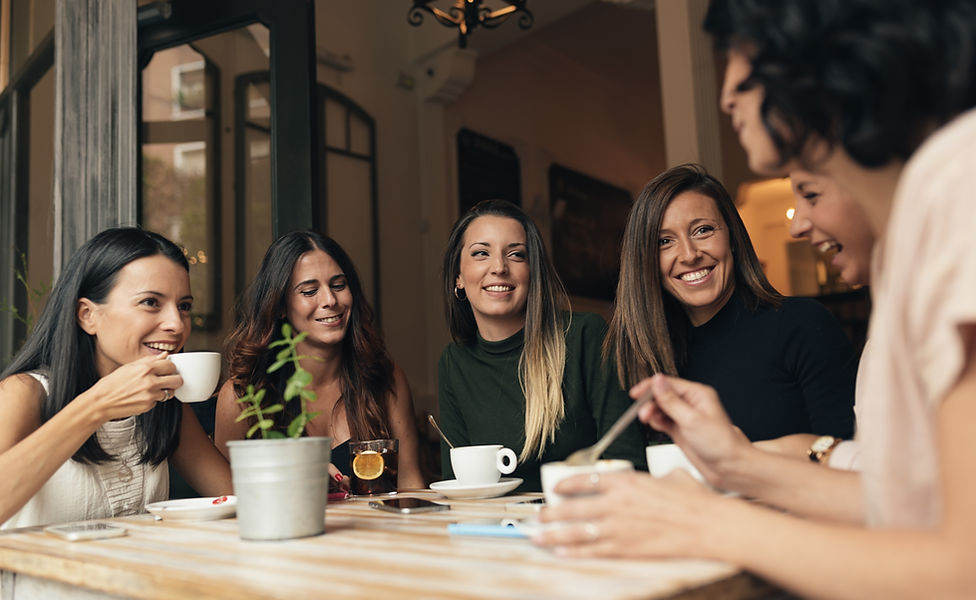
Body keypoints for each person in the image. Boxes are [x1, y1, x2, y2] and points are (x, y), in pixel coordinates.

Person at [533, 1, 976, 596]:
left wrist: (703, 520)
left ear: (815, 63)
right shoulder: (923, 221)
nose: (725, 98)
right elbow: (910, 505)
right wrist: (736, 463)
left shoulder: (956, 186)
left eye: (740, 63)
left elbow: (962, 569)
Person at [0, 227, 232, 528]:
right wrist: (98, 405)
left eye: (184, 306)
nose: (176, 324)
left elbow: (235, 497)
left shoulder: (165, 403)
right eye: (150, 302)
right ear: (87, 315)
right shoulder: (24, 392)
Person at [608, 163, 856, 442]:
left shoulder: (803, 324)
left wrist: (741, 455)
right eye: (664, 241)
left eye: (703, 230)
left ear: (732, 238)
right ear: (644, 261)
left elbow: (848, 455)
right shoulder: (640, 357)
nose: (689, 255)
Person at [438, 199, 646, 492]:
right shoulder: (454, 362)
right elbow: (458, 484)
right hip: (489, 521)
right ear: (458, 276)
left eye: (516, 255)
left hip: (584, 514)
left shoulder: (585, 335)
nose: (499, 267)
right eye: (481, 253)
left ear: (533, 271)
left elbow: (628, 461)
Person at [215, 231, 424, 490]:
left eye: (338, 285)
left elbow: (411, 484)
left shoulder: (386, 379)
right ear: (280, 306)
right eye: (309, 291)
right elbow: (226, 498)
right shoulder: (242, 396)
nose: (330, 300)